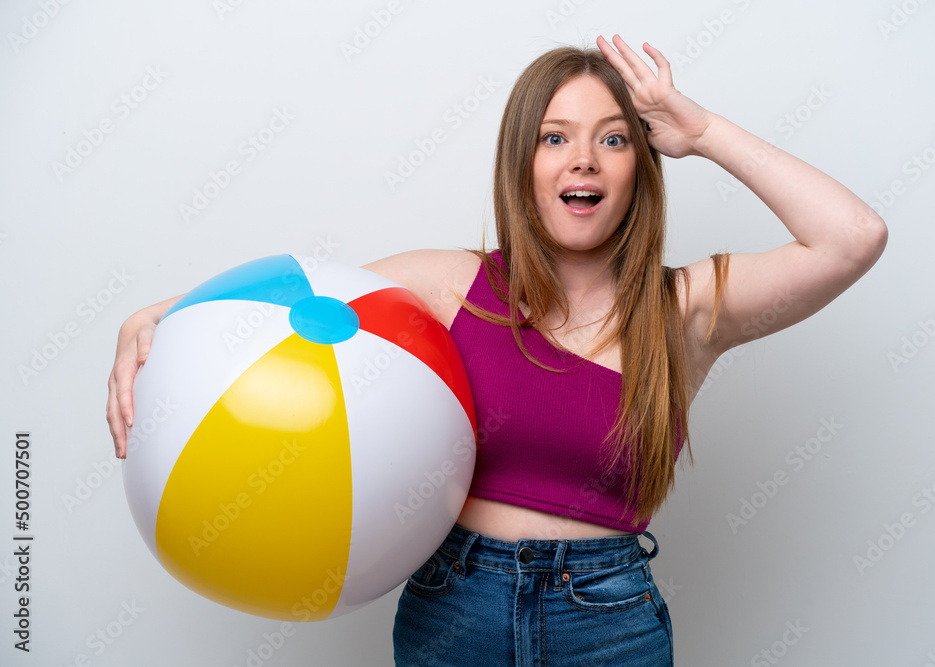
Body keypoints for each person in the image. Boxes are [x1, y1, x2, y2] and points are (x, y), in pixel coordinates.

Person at [107, 35, 887, 666]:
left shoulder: (686, 308)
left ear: (639, 170)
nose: (583, 159)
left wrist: (703, 132)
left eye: (613, 139)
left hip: (608, 622)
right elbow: (295, 311)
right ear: (525, 164)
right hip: (454, 610)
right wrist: (149, 318)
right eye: (555, 138)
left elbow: (853, 237)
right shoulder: (449, 285)